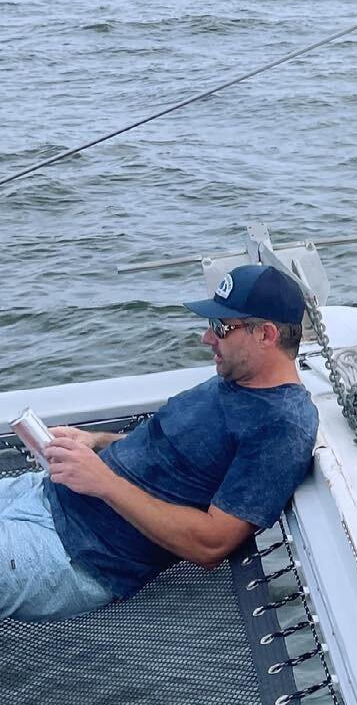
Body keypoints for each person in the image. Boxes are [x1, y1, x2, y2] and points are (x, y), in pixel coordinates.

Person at [1, 264, 318, 621]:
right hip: (45, 494)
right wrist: (95, 442)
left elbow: (213, 543)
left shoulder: (281, 426)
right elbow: (174, 453)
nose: (207, 337)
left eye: (221, 327)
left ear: (267, 335)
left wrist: (103, 483)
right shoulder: (235, 379)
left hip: (75, 550)